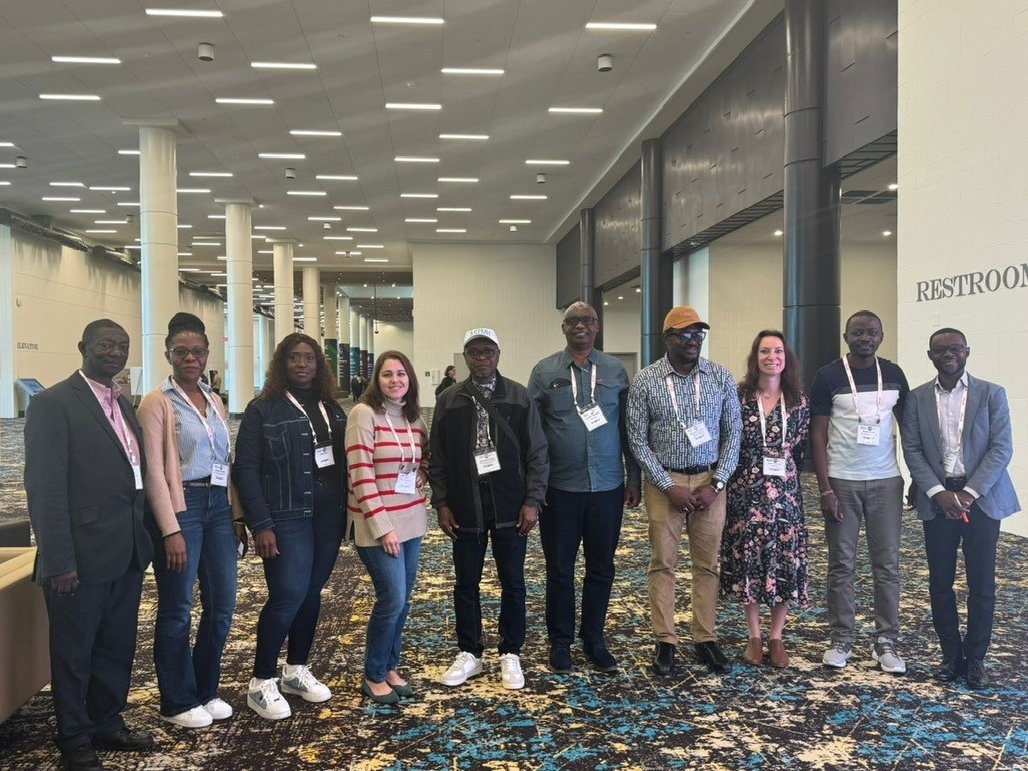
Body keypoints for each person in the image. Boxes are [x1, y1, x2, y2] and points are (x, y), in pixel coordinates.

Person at [24, 319, 155, 771]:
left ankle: (107, 721)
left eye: (122, 346)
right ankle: (75, 738)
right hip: (77, 556)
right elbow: (45, 489)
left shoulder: (123, 403)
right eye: (105, 345)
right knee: (74, 653)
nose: (115, 353)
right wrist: (59, 560)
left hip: (126, 550)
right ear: (83, 347)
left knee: (117, 645)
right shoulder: (52, 403)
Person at [233, 333, 347, 720]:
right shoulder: (262, 409)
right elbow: (245, 470)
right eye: (295, 358)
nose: (303, 364)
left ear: (319, 365)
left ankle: (296, 669)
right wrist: (260, 523)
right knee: (287, 595)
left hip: (327, 515)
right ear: (282, 363)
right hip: (285, 516)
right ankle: (260, 681)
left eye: (310, 358)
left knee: (312, 592)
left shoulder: (331, 407)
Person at [137, 313, 243, 728]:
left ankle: (205, 689)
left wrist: (237, 517)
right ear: (167, 355)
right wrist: (170, 528)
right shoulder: (156, 402)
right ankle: (177, 700)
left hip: (218, 505)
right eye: (181, 352)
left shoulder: (214, 399)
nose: (190, 358)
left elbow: (225, 462)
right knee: (178, 607)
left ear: (207, 355)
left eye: (198, 351)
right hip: (182, 507)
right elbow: (155, 474)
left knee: (222, 605)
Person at [430, 327, 549, 691]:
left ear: (498, 354)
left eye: (488, 352)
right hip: (466, 503)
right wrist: (442, 503)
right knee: (466, 582)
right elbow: (438, 457)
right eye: (474, 353)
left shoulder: (519, 395)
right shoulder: (449, 399)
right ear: (465, 357)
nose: (482, 359)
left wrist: (533, 501)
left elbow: (537, 452)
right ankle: (470, 651)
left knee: (513, 582)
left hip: (510, 503)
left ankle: (510, 651)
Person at [901, 328, 1019, 689]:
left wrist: (967, 494)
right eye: (941, 349)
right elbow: (913, 451)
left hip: (981, 501)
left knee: (982, 584)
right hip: (938, 502)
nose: (948, 354)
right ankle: (951, 655)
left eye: (955, 348)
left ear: (967, 351)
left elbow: (1002, 449)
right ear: (930, 355)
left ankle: (977, 658)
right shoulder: (917, 398)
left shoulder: (991, 394)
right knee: (940, 583)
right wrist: (938, 493)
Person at [627, 306, 742, 676]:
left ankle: (705, 638)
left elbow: (733, 434)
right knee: (663, 564)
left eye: (698, 334)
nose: (693, 341)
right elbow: (636, 439)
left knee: (708, 565)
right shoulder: (645, 380)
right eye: (685, 335)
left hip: (710, 484)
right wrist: (666, 485)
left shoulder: (720, 376)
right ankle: (665, 640)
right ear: (668, 339)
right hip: (666, 484)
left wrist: (718, 482)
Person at [528, 302, 641, 673]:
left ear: (597, 327)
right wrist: (535, 488)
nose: (581, 326)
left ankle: (594, 639)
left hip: (607, 486)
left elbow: (628, 430)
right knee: (559, 568)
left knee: (601, 567)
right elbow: (532, 435)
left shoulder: (615, 370)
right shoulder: (544, 371)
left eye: (588, 321)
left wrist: (634, 477)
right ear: (564, 327)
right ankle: (560, 642)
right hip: (559, 489)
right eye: (574, 321)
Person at [810, 310, 909, 673]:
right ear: (845, 336)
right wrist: (824, 489)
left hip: (886, 481)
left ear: (881, 336)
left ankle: (886, 641)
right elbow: (817, 435)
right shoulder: (828, 376)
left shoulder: (895, 374)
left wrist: (913, 479)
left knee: (887, 565)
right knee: (841, 564)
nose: (864, 338)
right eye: (857, 332)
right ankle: (842, 638)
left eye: (871, 332)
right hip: (842, 482)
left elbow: (909, 432)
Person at [720, 331, 810, 668]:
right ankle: (754, 635)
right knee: (751, 560)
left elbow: (798, 446)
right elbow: (729, 437)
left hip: (785, 492)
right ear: (755, 357)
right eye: (764, 351)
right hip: (747, 488)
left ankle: (776, 636)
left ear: (786, 357)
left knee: (782, 560)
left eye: (777, 351)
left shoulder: (799, 400)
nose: (771, 356)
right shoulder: (740, 396)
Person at [345, 350, 429, 705]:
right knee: (391, 597)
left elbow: (422, 460)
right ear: (375, 380)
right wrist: (383, 527)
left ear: (410, 379)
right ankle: (374, 673)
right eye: (387, 375)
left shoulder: (413, 418)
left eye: (401, 374)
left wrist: (422, 477)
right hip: (377, 524)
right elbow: (360, 474)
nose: (395, 380)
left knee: (404, 599)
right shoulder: (363, 415)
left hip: (411, 519)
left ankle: (391, 666)